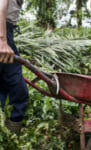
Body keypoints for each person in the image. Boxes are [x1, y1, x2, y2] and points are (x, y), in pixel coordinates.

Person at [0, 0, 28, 136]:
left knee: (7, 86)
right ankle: (11, 136)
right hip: (3, 33)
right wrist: (2, 41)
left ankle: (8, 138)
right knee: (18, 89)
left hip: (7, 31)